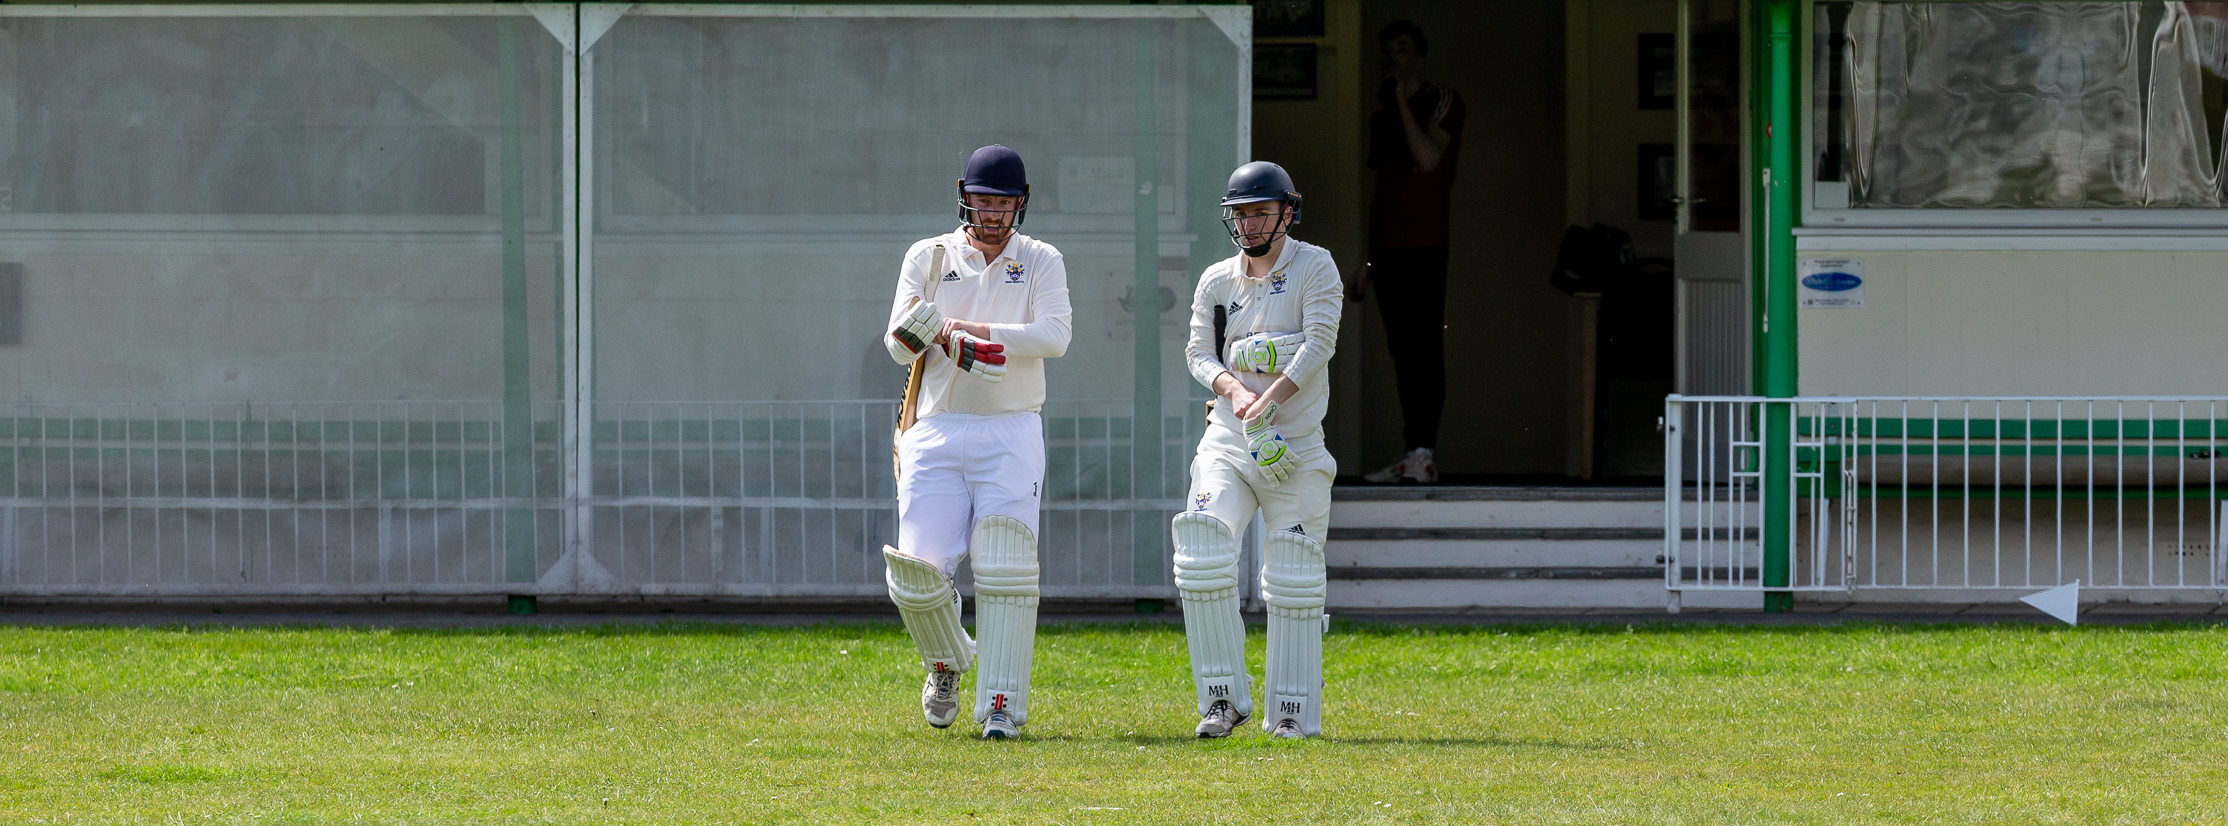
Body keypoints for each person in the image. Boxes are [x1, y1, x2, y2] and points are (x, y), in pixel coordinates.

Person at [880, 145, 1072, 740]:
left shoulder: (1041, 259)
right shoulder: (930, 256)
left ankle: (1002, 705)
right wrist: (931, 332)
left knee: (1006, 567)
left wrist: (974, 331)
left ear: (1021, 203)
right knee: (918, 571)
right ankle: (946, 664)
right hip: (936, 428)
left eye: (1004, 204)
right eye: (984, 202)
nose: (992, 215)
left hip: (1012, 428)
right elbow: (895, 345)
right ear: (965, 196)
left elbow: (1056, 336)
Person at [1173, 161, 1341, 739]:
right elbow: (1199, 354)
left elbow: (1319, 342)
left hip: (1294, 448)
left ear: (1287, 213)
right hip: (1228, 438)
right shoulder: (1217, 280)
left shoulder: (1314, 265)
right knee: (1200, 551)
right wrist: (1235, 390)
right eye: (1241, 214)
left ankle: (1291, 710)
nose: (1249, 224)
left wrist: (1269, 397)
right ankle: (1222, 700)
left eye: (1261, 212)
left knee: (1293, 575)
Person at [1351, 20, 1465, 485]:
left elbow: (1428, 157)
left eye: (1402, 49)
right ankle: (1411, 455)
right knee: (1403, 352)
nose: (1393, 58)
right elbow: (1386, 188)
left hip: (1425, 244)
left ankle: (1424, 452)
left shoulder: (1443, 101)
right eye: (1387, 51)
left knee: (1423, 348)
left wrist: (1398, 97)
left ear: (1419, 57)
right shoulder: (1382, 120)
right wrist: (1369, 258)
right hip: (1389, 248)